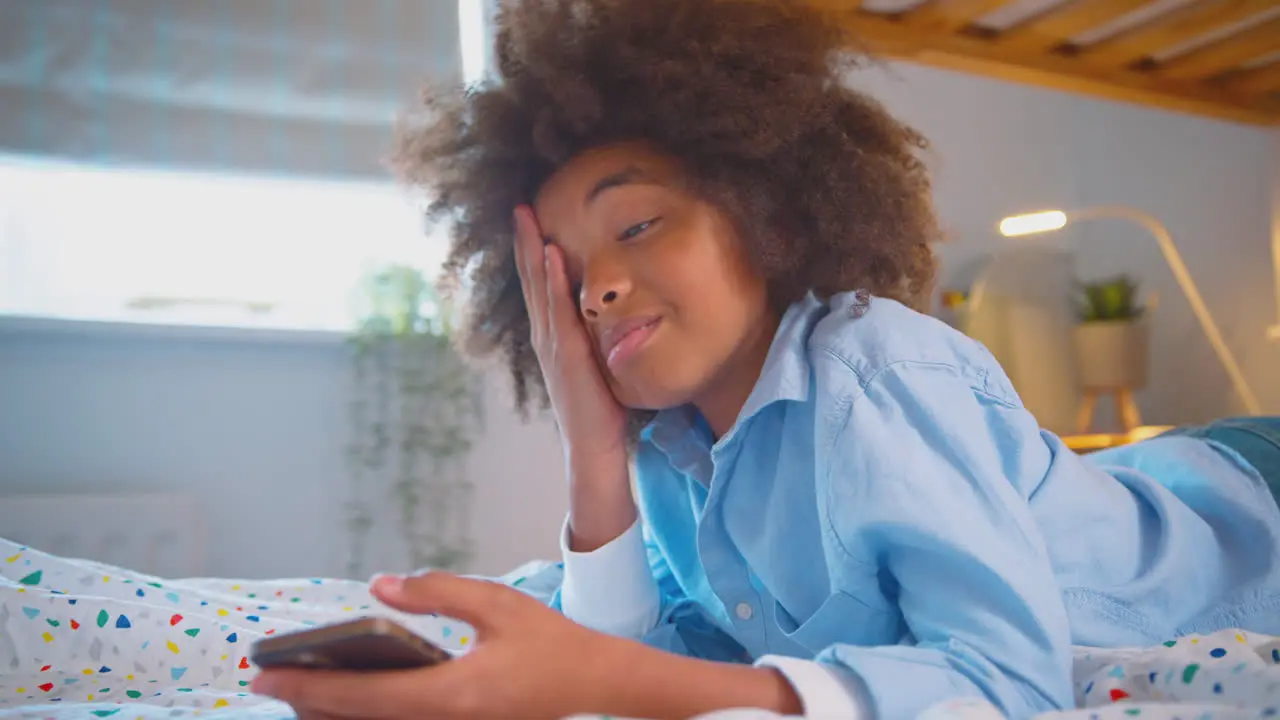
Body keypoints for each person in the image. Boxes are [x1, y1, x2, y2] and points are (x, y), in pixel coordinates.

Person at [251, 0, 1280, 718]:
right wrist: (591, 451)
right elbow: (646, 645)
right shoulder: (674, 451)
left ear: (767, 206)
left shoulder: (875, 369)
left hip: (1242, 501)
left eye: (640, 224)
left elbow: (1006, 689)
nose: (597, 285)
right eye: (562, 277)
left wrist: (604, 686)